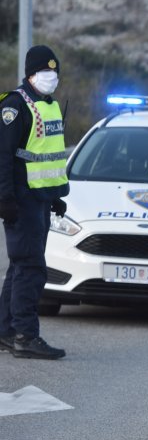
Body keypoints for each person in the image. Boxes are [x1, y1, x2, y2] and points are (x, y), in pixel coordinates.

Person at [0, 45, 69, 359]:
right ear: (30, 73)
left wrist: (55, 196)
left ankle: (5, 331)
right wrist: (5, 199)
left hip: (39, 198)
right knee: (31, 268)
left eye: (54, 72)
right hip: (21, 199)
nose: (50, 77)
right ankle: (25, 336)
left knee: (19, 266)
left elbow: (46, 157)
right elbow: (3, 157)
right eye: (45, 71)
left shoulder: (49, 105)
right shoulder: (15, 105)